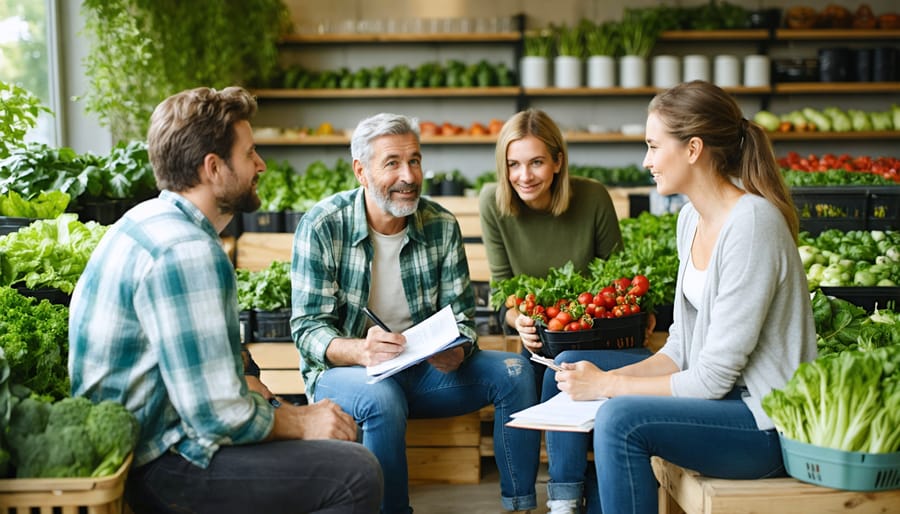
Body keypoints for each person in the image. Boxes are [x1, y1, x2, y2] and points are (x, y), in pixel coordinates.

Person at [68, 86, 383, 514]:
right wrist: (299, 419)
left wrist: (273, 406)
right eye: (250, 153)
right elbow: (218, 417)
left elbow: (218, 376)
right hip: (162, 465)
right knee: (355, 472)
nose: (261, 165)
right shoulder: (188, 251)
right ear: (213, 167)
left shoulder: (145, 221)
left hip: (150, 441)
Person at [543, 80, 818, 514]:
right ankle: (566, 505)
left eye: (654, 146)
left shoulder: (751, 224)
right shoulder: (690, 218)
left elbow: (712, 380)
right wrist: (597, 381)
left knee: (619, 420)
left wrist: (610, 386)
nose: (646, 161)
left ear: (693, 149)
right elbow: (681, 348)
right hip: (719, 401)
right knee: (566, 366)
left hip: (764, 423)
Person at [290, 112, 541, 514]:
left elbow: (462, 317)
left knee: (516, 372)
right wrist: (360, 351)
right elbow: (306, 329)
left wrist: (458, 348)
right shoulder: (323, 226)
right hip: (347, 376)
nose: (409, 175)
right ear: (361, 171)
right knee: (383, 397)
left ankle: (521, 505)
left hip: (424, 372)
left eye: (415, 160)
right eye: (392, 163)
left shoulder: (440, 224)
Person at [479, 108, 627, 377]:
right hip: (540, 335)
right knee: (530, 370)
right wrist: (520, 321)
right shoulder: (492, 202)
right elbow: (503, 295)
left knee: (560, 367)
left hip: (591, 330)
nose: (524, 176)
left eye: (536, 162)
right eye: (514, 164)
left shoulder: (593, 196)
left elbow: (618, 281)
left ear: (558, 161)